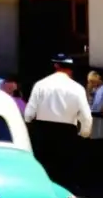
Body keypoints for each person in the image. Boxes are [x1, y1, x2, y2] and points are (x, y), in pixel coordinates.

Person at [24, 55, 92, 185]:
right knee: (64, 171)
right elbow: (85, 116)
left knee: (44, 169)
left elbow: (29, 113)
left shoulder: (41, 85)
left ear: (56, 66)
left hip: (43, 131)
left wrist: (30, 126)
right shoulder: (77, 88)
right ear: (71, 70)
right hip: (67, 133)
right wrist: (84, 133)